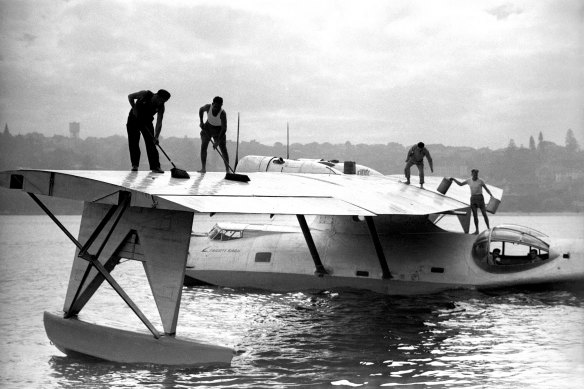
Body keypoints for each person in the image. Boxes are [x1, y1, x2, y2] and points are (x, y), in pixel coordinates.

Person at [126, 89, 171, 173]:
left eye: (164, 101)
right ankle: (135, 165)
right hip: (134, 118)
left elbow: (159, 122)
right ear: (157, 96)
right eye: (161, 100)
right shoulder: (144, 94)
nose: (161, 103)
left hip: (147, 121)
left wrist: (156, 136)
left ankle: (155, 167)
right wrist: (134, 108)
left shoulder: (161, 107)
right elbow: (130, 96)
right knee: (133, 142)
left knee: (151, 143)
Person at [450, 169, 493, 235]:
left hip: (480, 198)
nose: (476, 175)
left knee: (484, 214)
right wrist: (454, 179)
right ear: (472, 174)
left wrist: (491, 195)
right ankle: (477, 230)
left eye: (476, 174)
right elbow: (460, 184)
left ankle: (488, 228)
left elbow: (486, 189)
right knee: (475, 216)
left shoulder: (480, 181)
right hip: (473, 198)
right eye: (474, 174)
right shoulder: (469, 180)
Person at [198, 96, 229, 173]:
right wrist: (201, 122)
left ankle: (228, 170)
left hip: (219, 131)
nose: (217, 109)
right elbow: (201, 110)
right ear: (212, 104)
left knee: (223, 149)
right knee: (203, 147)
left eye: (219, 107)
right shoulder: (208, 107)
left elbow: (224, 128)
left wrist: (217, 141)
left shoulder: (222, 113)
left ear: (221, 105)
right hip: (207, 128)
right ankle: (203, 168)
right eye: (215, 106)